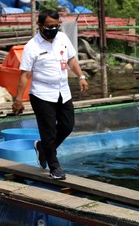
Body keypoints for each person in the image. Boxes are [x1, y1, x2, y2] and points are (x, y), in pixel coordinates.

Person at [12, 10, 88, 180]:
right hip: (42, 94)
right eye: (49, 26)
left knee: (67, 126)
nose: (53, 29)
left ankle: (42, 147)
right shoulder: (32, 46)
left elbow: (71, 60)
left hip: (63, 91)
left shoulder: (62, 38)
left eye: (56, 26)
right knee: (48, 131)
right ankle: (55, 167)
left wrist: (81, 77)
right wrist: (18, 99)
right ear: (40, 26)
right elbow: (25, 74)